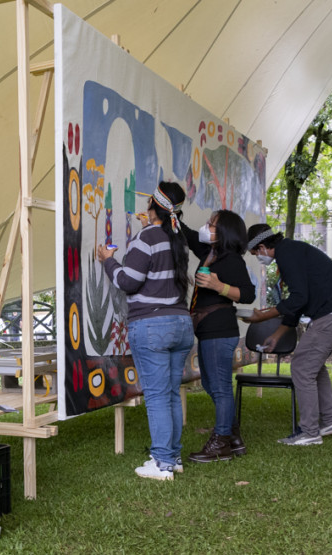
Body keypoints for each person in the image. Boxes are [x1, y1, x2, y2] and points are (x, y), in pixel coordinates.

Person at [97, 181, 194, 481]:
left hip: (152, 325)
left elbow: (128, 281)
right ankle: (173, 457)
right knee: (170, 393)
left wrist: (107, 261)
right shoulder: (177, 239)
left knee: (155, 395)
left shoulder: (147, 237)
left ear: (153, 206)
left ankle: (162, 464)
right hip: (180, 323)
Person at [243, 224, 332, 446]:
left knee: (301, 366)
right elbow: (299, 303)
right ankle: (330, 421)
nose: (258, 258)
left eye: (255, 254)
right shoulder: (292, 251)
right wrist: (277, 334)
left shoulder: (287, 254)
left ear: (262, 247)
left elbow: (298, 298)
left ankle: (310, 432)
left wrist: (264, 315)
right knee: (313, 366)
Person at [181, 210, 255, 462]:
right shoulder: (210, 254)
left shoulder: (232, 260)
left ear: (224, 232)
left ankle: (221, 442)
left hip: (219, 330)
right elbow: (189, 236)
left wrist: (217, 286)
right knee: (213, 385)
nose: (206, 228)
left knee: (220, 387)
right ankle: (233, 439)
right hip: (207, 330)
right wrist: (170, 215)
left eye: (211, 226)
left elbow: (247, 294)